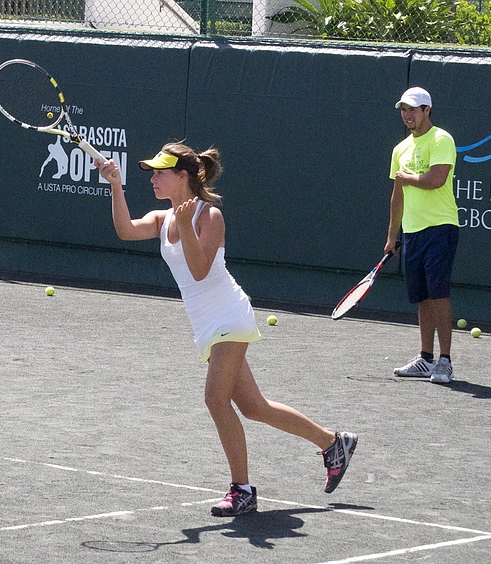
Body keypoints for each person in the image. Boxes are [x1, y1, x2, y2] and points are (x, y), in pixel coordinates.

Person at [95, 142, 357, 517]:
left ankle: (242, 489)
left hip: (228, 317)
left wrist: (186, 226)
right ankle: (333, 443)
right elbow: (124, 230)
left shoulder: (209, 216)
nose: (153, 178)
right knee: (253, 407)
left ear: (182, 176)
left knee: (215, 400)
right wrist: (115, 186)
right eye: (151, 172)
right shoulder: (161, 219)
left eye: (160, 172)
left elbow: (200, 271)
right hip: (207, 324)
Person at [386, 87, 460, 384]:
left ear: (427, 110)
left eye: (413, 110)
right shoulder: (400, 149)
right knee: (422, 297)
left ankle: (446, 361)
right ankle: (426, 359)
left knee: (438, 292)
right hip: (413, 232)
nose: (408, 115)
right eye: (404, 109)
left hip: (441, 227)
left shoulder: (442, 139)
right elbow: (397, 196)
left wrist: (407, 178)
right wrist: (392, 235)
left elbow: (436, 179)